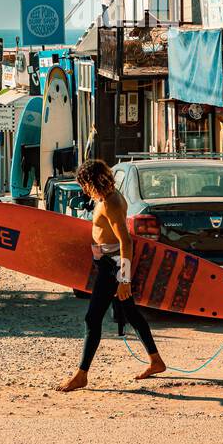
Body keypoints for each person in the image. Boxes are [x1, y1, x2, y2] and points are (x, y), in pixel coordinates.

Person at [58, 158, 165, 392]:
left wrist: (124, 279)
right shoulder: (107, 197)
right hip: (108, 264)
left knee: (92, 318)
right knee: (131, 314)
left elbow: (125, 241)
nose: (84, 189)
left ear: (92, 182)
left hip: (114, 267)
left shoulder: (111, 203)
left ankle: (81, 374)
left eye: (84, 184)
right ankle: (156, 360)